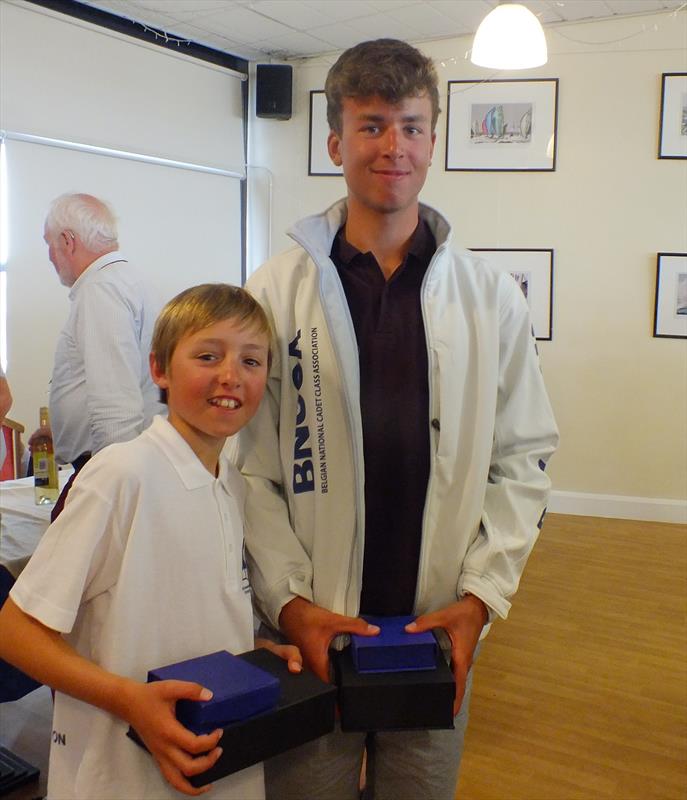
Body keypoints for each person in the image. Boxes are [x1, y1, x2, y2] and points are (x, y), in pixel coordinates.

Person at [233, 38, 559, 800]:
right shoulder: (277, 290)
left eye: (411, 126)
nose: (393, 147)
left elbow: (522, 461)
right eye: (373, 125)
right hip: (312, 631)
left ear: (434, 140)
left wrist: (478, 601)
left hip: (433, 628)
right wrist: (289, 602)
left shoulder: (489, 297)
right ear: (335, 142)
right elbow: (248, 465)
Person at [0, 284, 302, 799]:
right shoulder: (121, 475)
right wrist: (129, 699)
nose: (231, 374)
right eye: (208, 355)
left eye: (251, 361)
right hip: (120, 773)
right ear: (159, 369)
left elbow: (180, 610)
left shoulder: (230, 485)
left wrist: (252, 650)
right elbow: (16, 630)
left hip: (211, 757)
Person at [35, 193, 163, 510]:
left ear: (68, 241)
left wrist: (113, 497)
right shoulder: (128, 280)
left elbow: (115, 407)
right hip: (129, 463)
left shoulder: (100, 289)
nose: (50, 256)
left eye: (49, 244)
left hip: (108, 471)